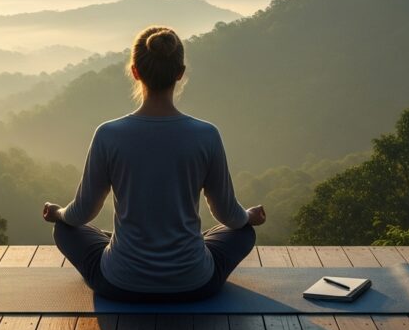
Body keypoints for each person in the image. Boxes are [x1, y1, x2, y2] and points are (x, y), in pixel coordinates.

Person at [42, 26, 265, 302]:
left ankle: (127, 244)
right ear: (180, 73)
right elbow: (229, 216)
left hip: (120, 282)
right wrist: (249, 217)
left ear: (135, 71)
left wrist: (58, 213)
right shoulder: (206, 135)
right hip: (194, 282)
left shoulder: (108, 135)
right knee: (242, 233)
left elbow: (80, 215)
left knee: (65, 230)